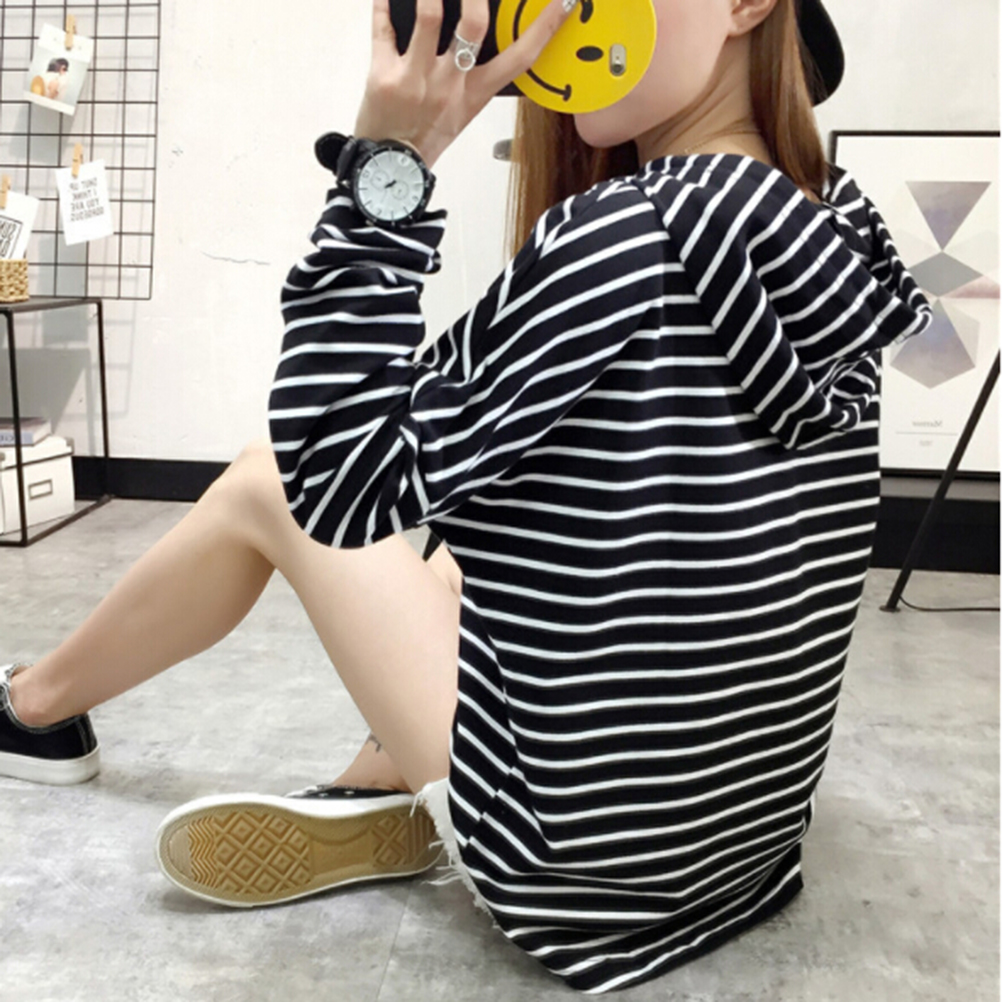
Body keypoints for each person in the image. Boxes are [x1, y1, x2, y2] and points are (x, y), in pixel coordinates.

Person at [1, 0, 933, 992]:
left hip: (573, 869)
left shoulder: (628, 233)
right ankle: (383, 779)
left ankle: (32, 708)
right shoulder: (839, 229)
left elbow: (337, 479)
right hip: (742, 849)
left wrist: (388, 167)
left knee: (267, 479)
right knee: (472, 516)